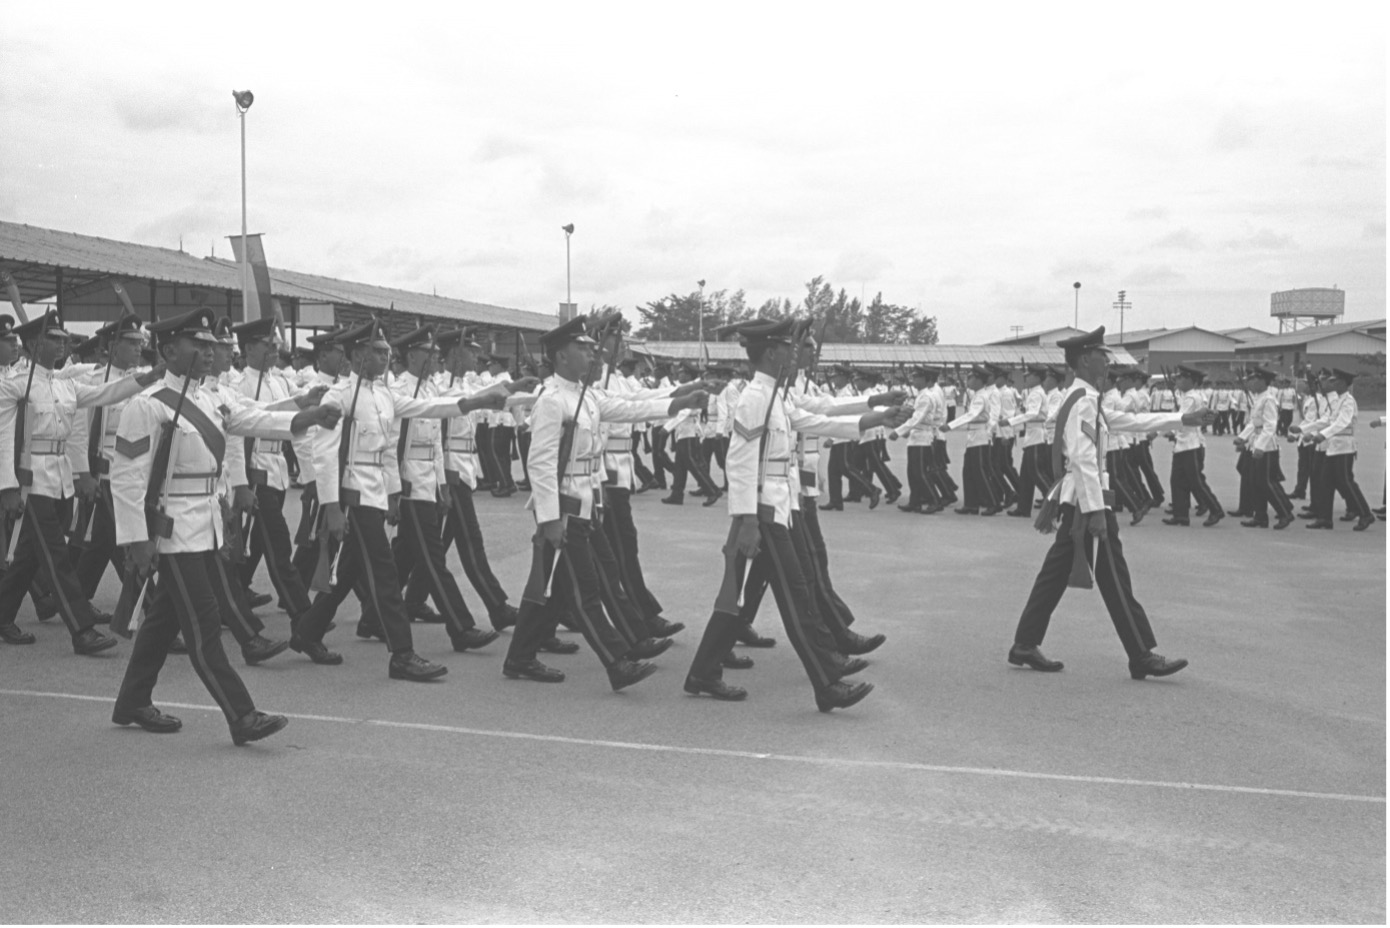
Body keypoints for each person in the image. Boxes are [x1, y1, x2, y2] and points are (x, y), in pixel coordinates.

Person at [109, 308, 337, 743]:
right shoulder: (147, 404)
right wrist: (136, 538)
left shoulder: (210, 398)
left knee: (164, 620)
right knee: (204, 626)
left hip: (206, 526)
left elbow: (253, 417)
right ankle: (241, 715)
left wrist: (305, 417)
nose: (211, 352)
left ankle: (132, 700)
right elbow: (126, 477)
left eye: (212, 345)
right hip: (171, 532)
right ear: (170, 348)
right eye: (200, 344)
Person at [683, 317, 908, 710]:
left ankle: (703, 671)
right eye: (788, 347)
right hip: (765, 512)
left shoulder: (775, 397)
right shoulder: (755, 398)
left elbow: (816, 419)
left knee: (743, 593)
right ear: (772, 352)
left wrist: (874, 419)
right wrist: (748, 519)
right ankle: (827, 681)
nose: (794, 353)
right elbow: (739, 462)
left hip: (777, 506)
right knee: (796, 594)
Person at [289, 320, 513, 680]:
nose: (385, 357)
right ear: (359, 355)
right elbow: (326, 455)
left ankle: (306, 631)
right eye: (378, 352)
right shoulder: (339, 396)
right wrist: (332, 507)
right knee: (385, 574)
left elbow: (423, 414)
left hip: (375, 492)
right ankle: (402, 654)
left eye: (386, 351)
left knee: (348, 573)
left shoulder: (384, 395)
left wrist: (477, 401)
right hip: (354, 494)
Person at [501, 316, 709, 689]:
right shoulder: (552, 401)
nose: (591, 353)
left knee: (557, 582)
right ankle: (617, 660)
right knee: (585, 589)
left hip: (587, 505)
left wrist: (678, 403)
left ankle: (520, 656)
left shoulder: (587, 396)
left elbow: (631, 408)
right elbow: (540, 463)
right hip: (564, 510)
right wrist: (549, 518)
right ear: (562, 356)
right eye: (583, 348)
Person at [1009, 326, 1211, 680]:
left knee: (1057, 574)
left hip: (1082, 500)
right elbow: (1085, 459)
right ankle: (1141, 654)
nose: (1108, 359)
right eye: (1102, 354)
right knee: (1114, 577)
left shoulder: (1087, 399)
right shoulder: (1082, 401)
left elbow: (1129, 421)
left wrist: (1182, 418)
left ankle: (1025, 643)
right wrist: (1097, 511)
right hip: (1088, 503)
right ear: (1085, 359)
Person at [0, 310, 164, 651]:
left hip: (58, 478)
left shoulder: (65, 383)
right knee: (56, 556)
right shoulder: (14, 384)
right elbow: (3, 437)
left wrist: (147, 379)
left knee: (32, 553)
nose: (62, 344)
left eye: (63, 339)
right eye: (54, 338)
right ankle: (82, 629)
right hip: (31, 481)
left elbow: (105, 394)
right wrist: (8, 487)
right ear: (33, 344)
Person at [234, 317, 319, 621]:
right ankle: (304, 615)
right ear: (248, 349)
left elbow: (296, 433)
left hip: (277, 469)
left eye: (275, 346)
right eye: (266, 346)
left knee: (256, 543)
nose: (273, 351)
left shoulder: (280, 381)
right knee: (278, 545)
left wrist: (309, 476)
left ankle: (232, 598)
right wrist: (240, 479)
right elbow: (247, 422)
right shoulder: (240, 383)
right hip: (255, 467)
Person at [1292, 368, 1375, 531]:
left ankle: (1365, 514)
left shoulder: (1348, 401)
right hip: (1333, 447)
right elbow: (1327, 420)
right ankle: (1324, 518)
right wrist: (1304, 430)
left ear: (1343, 383)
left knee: (1346, 483)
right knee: (1325, 483)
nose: (1332, 383)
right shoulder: (1338, 401)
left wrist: (1322, 435)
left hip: (1344, 447)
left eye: (1335, 380)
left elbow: (1341, 423)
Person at [1161, 366, 1224, 527]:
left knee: (1196, 481)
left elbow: (1182, 418)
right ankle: (1180, 515)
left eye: (1182, 377)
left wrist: (1169, 431)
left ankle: (1215, 509)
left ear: (1192, 381)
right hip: (1183, 443)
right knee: (1177, 481)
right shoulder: (1188, 396)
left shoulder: (1192, 398)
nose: (1178, 380)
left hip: (1190, 444)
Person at [1234, 367, 1295, 530]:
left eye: (1254, 380)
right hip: (1257, 441)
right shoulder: (1259, 398)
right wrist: (1242, 437)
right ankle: (1260, 517)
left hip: (1267, 446)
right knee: (1256, 482)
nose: (1250, 383)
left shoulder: (1268, 399)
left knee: (1265, 483)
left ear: (1262, 381)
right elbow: (1254, 423)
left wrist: (1260, 447)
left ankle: (1284, 513)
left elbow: (1270, 425)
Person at [942, 367, 1002, 515]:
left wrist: (950, 425)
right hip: (973, 437)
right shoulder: (977, 395)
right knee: (968, 471)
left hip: (980, 437)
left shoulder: (981, 396)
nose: (968, 381)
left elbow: (971, 415)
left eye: (971, 378)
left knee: (980, 472)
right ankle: (971, 504)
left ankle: (993, 503)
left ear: (979, 380)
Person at [661, 363, 722, 507]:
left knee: (693, 464)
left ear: (689, 376)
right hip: (683, 432)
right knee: (680, 465)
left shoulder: (691, 390)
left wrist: (667, 427)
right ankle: (677, 494)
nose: (679, 375)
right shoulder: (684, 389)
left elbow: (685, 411)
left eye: (683, 373)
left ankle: (712, 490)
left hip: (688, 431)